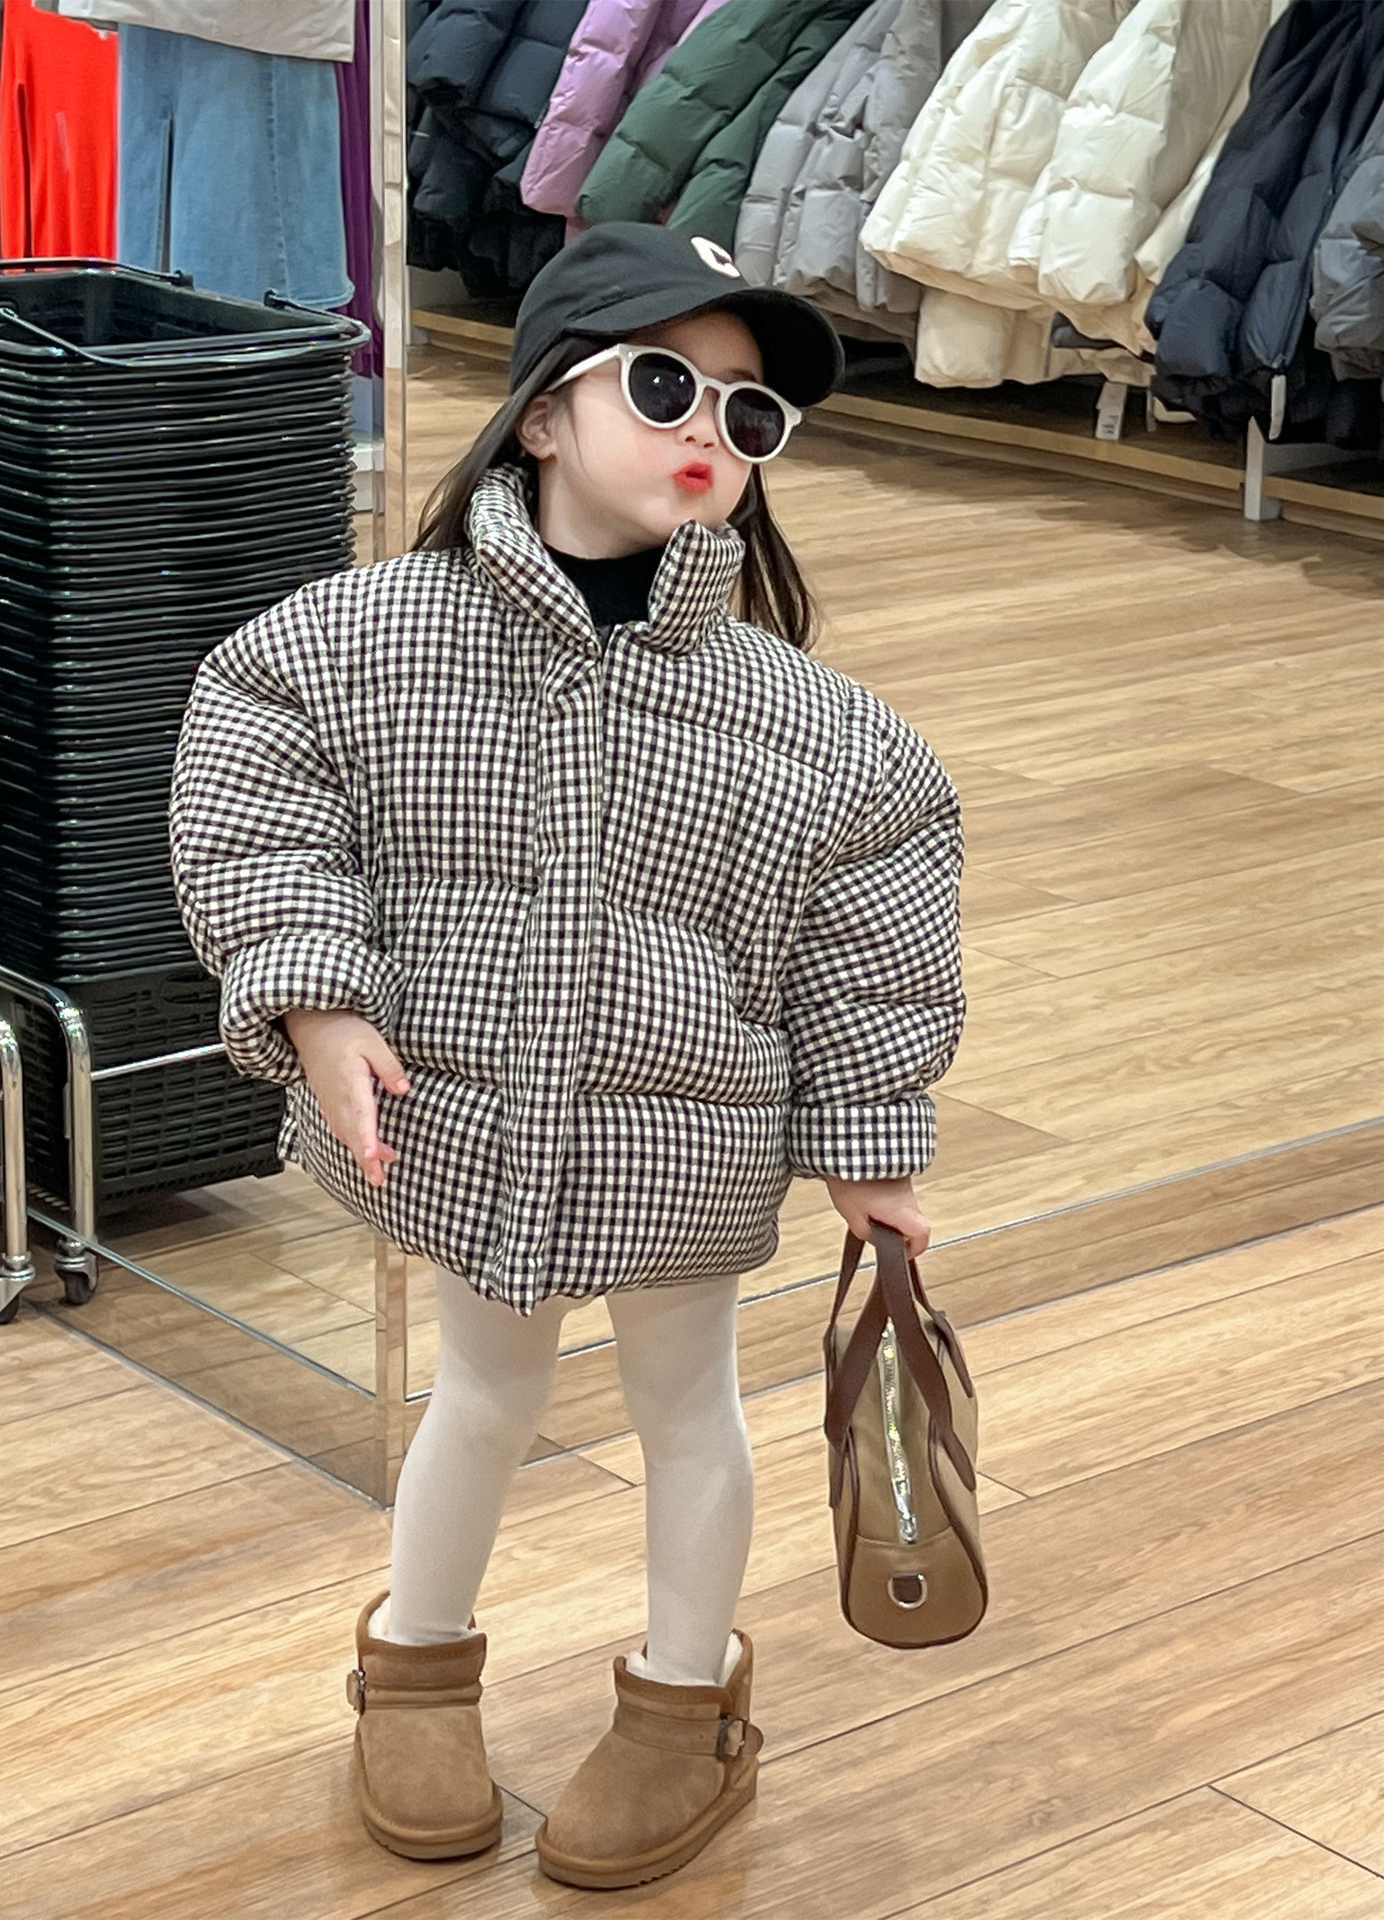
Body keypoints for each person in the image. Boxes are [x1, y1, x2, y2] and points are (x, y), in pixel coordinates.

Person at [168, 221, 965, 1890]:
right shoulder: (356, 640)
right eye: (664, 386)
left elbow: (873, 930)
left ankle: (687, 1705)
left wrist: (870, 1138)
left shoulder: (817, 727)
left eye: (750, 413)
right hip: (461, 1126)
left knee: (691, 1405)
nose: (710, 431)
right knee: (483, 1390)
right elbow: (255, 781)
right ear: (540, 413)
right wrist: (313, 993)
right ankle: (413, 1661)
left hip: (691, 1140)